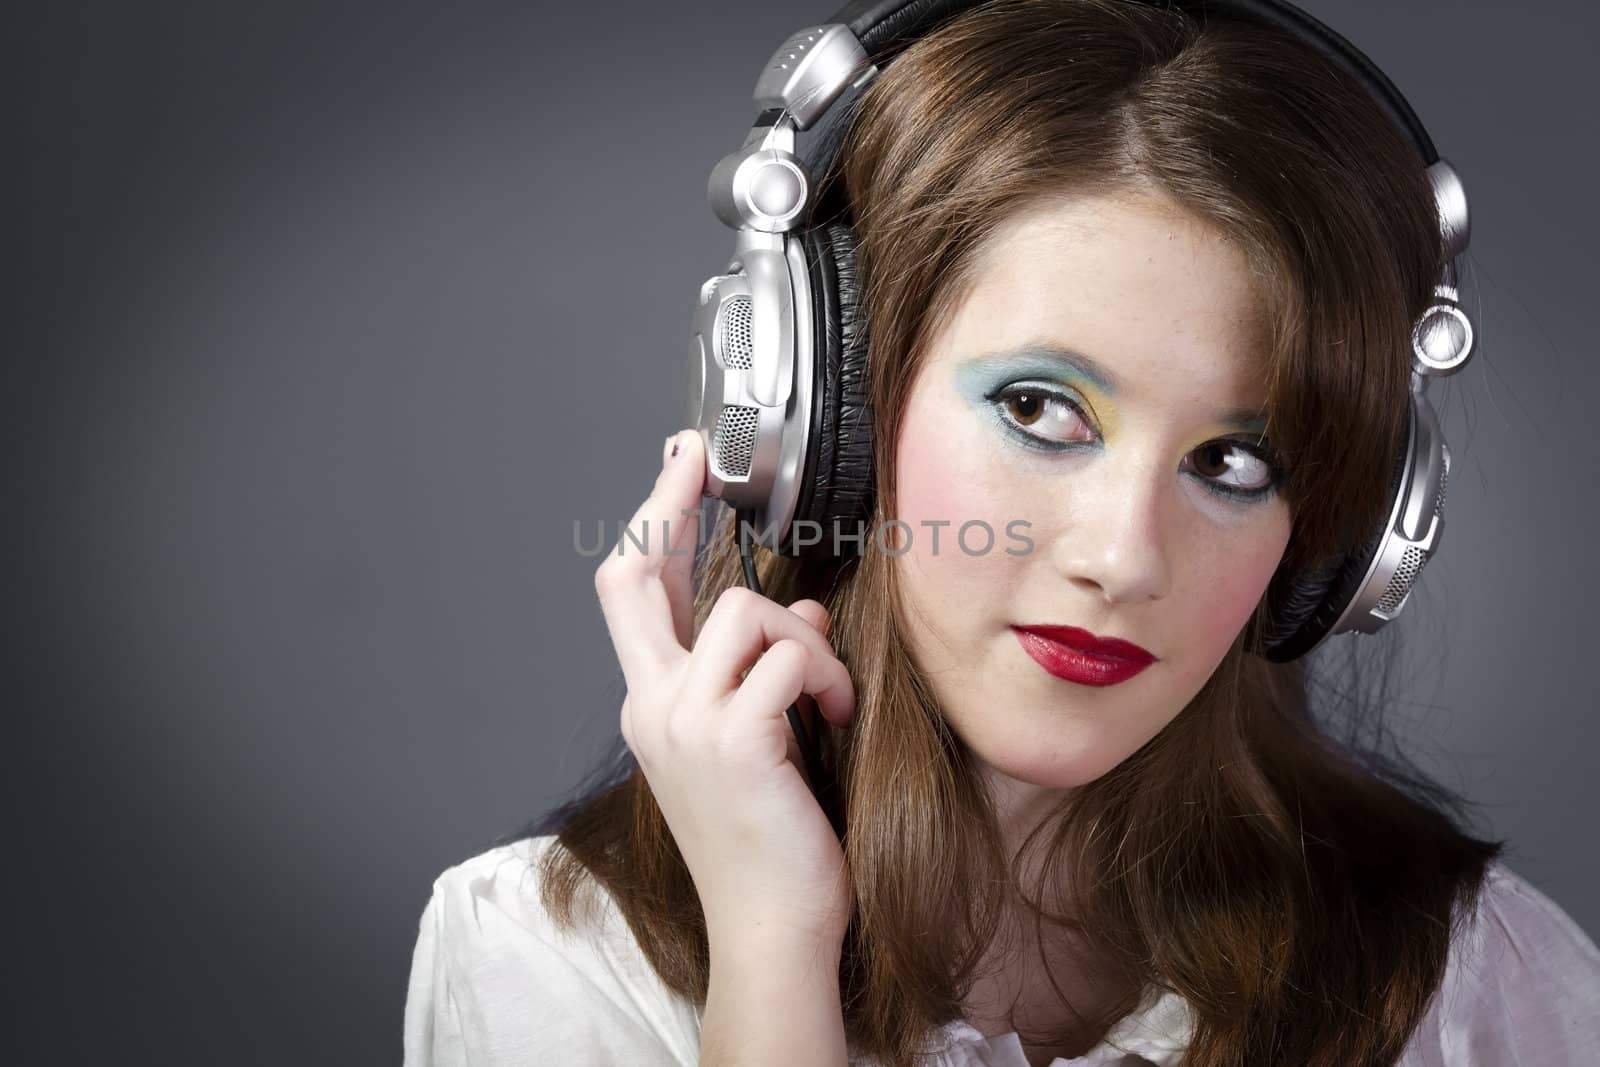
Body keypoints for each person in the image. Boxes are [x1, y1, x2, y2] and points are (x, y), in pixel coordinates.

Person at [403, 1, 1600, 1064]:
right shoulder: (547, 950)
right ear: (823, 408)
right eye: (1039, 408)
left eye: (1235, 461)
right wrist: (771, 947)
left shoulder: (1468, 979)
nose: (1124, 558)